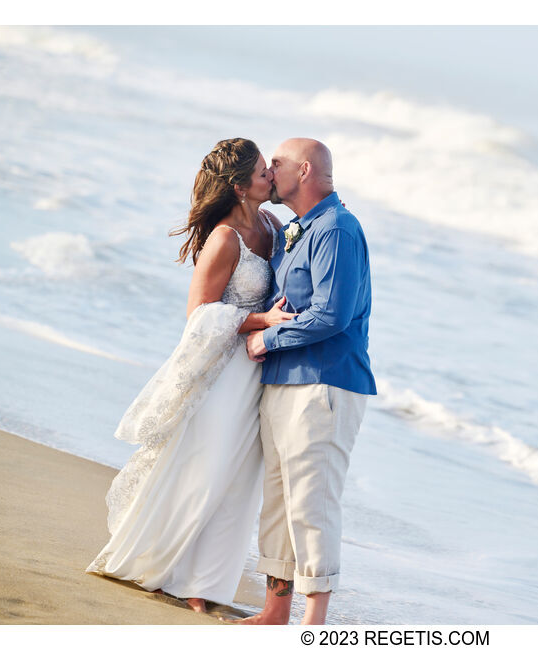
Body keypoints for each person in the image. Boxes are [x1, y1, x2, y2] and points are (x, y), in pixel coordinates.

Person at [86, 138, 291, 616]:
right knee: (206, 468)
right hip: (221, 375)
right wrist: (260, 320)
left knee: (239, 479)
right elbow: (199, 315)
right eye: (263, 172)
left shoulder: (271, 225)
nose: (271, 177)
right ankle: (162, 569)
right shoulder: (224, 239)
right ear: (241, 186)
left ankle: (205, 584)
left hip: (257, 373)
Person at [240, 138, 376, 625]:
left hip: (324, 384)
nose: (269, 170)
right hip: (282, 383)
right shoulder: (297, 229)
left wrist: (266, 339)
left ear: (303, 169)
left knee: (312, 503)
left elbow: (332, 315)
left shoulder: (337, 229)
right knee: (278, 501)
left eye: (275, 162)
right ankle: (275, 612)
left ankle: (313, 627)